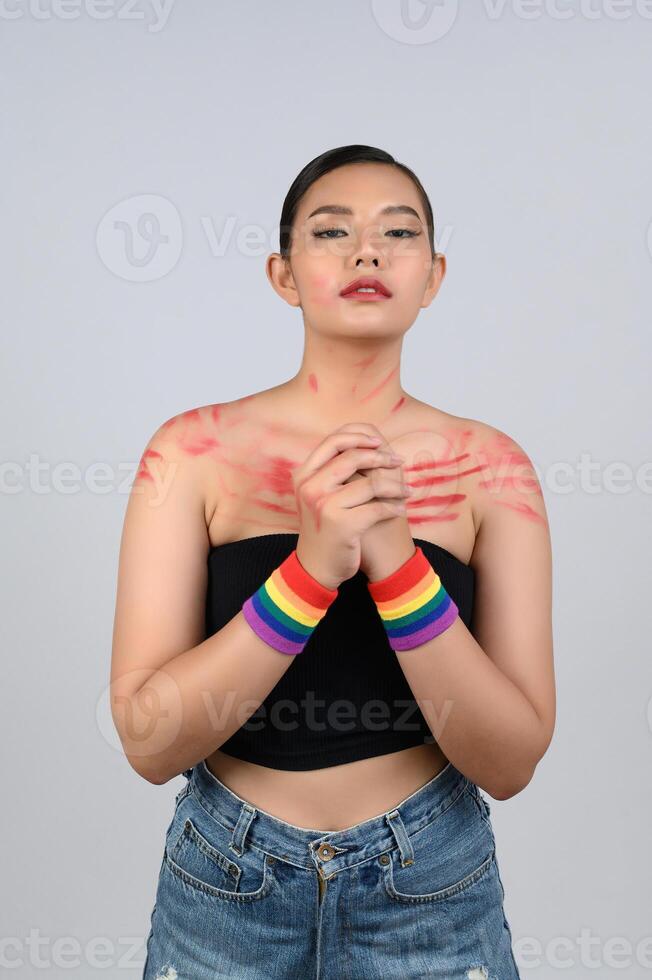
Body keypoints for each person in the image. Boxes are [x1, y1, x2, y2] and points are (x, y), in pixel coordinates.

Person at [110, 144, 555, 979]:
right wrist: (310, 570)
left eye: (399, 231)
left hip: (430, 886)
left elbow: (511, 761)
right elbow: (148, 741)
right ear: (283, 275)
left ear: (434, 274)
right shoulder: (192, 452)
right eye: (331, 232)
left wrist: (395, 560)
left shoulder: (492, 469)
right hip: (225, 885)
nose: (367, 251)